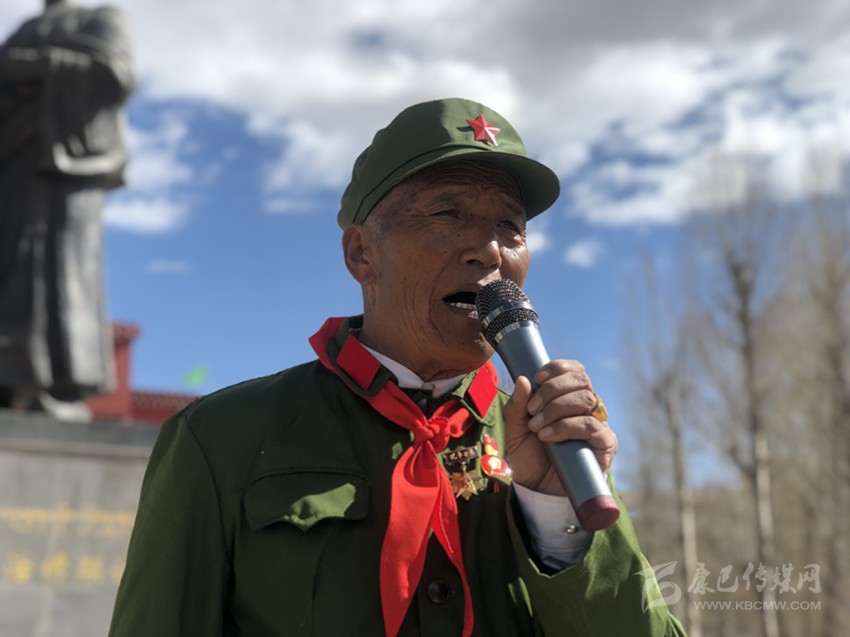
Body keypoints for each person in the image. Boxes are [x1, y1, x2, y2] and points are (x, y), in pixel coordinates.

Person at [109, 98, 685, 636]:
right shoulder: (220, 439)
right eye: (448, 213)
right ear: (361, 253)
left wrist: (558, 521)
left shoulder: (558, 444)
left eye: (510, 227)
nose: (489, 250)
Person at [0, 0, 134, 420]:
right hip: (14, 160)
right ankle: (9, 377)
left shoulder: (101, 18)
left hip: (69, 161)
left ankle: (55, 380)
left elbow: (115, 75)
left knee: (63, 269)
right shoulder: (25, 28)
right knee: (11, 266)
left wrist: (39, 65)